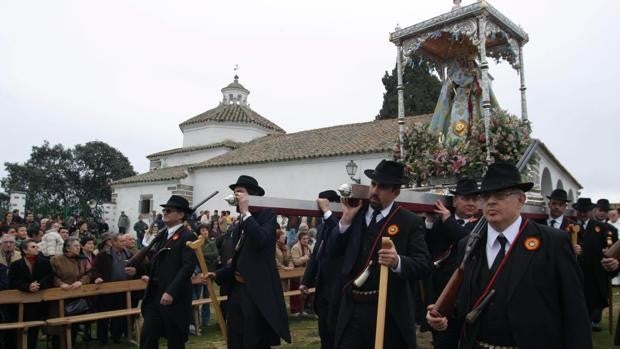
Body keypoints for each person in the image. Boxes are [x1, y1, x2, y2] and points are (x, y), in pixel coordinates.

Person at [427, 162, 592, 348]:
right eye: (486, 196)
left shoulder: (552, 243)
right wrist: (443, 318)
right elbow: (464, 303)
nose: (490, 201)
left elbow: (575, 311)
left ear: (521, 200)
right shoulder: (469, 244)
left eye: (500, 195)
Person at [331, 160, 430, 349]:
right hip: (352, 308)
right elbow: (333, 252)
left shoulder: (409, 221)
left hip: (388, 310)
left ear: (396, 192)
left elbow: (423, 264)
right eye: (373, 184)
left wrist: (397, 261)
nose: (375, 191)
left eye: (382, 187)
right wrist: (344, 222)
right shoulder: (355, 213)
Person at [209, 175, 291, 348]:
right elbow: (239, 258)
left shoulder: (267, 215)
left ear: (251, 196)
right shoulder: (239, 223)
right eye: (234, 192)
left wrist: (246, 213)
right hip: (239, 289)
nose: (235, 196)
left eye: (239, 192)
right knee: (236, 335)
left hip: (257, 292)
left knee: (254, 338)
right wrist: (217, 274)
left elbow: (261, 239)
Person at [423, 177, 479, 348]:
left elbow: (466, 240)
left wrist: (448, 220)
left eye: (474, 199)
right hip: (439, 292)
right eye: (466, 198)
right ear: (455, 200)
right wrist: (430, 221)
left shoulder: (480, 225)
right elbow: (427, 246)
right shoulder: (441, 222)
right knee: (441, 340)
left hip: (464, 293)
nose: (471, 203)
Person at [140, 195, 197, 349]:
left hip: (174, 297)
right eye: (164, 209)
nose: (164, 212)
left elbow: (187, 267)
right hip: (154, 294)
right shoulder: (163, 235)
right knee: (147, 338)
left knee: (175, 340)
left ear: (180, 215)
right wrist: (137, 269)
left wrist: (171, 291)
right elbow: (157, 263)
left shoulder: (187, 235)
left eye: (169, 210)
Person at [300, 190, 341, 349]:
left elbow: (341, 235)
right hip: (323, 288)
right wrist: (306, 281)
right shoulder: (324, 227)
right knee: (324, 332)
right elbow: (317, 255)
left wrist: (328, 212)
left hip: (337, 288)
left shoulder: (341, 223)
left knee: (336, 331)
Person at [572, 197, 617, 332]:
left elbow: (611, 247)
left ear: (591, 211)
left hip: (594, 270)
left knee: (594, 297)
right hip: (575, 270)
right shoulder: (570, 226)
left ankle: (593, 320)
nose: (583, 214)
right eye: (580, 211)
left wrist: (608, 252)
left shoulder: (603, 228)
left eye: (586, 211)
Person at [94, 232, 138, 344]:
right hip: (107, 289)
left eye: (124, 241)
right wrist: (98, 277)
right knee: (104, 316)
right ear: (113, 242)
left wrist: (134, 272)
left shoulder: (129, 254)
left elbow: (137, 268)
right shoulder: (103, 255)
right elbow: (95, 270)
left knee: (119, 315)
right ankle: (103, 339)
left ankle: (116, 336)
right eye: (121, 241)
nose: (124, 243)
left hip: (123, 289)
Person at [9, 240, 54, 349]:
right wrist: (27, 287)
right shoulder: (16, 265)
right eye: (33, 247)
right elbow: (13, 281)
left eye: (36, 247)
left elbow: (49, 276)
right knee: (19, 330)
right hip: (22, 302)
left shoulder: (44, 262)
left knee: (34, 329)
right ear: (24, 250)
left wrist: (38, 285)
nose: (36, 248)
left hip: (38, 301)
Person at [290, 229, 312, 316]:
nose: (306, 240)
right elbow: (296, 262)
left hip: (305, 272)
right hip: (295, 273)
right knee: (295, 290)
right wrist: (306, 257)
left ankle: (304, 309)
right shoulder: (295, 247)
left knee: (306, 290)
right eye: (304, 239)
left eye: (307, 239)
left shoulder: (308, 247)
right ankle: (295, 310)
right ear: (300, 239)